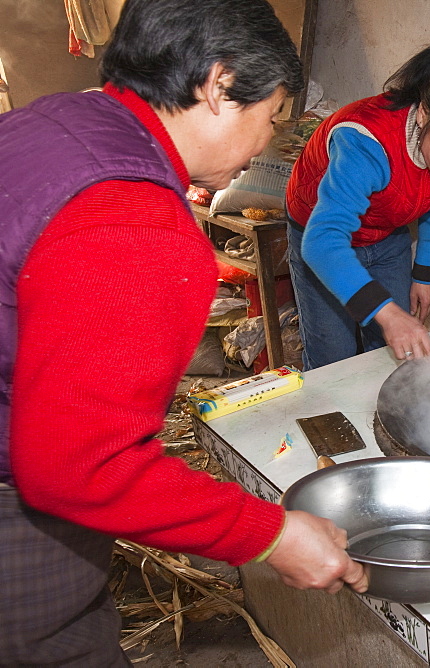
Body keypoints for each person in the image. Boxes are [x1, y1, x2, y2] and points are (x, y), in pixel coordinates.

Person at [0, 1, 366, 664]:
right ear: (219, 86)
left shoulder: (62, 118)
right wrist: (270, 533)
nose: (267, 143)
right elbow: (81, 467)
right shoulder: (135, 224)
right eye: (273, 116)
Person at [285, 42, 430, 369]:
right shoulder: (365, 142)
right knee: (334, 359)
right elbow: (322, 244)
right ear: (424, 113)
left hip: (386, 233)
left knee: (392, 353)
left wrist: (425, 275)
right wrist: (388, 315)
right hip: (322, 235)